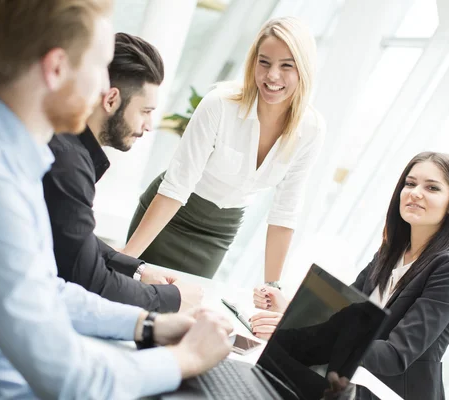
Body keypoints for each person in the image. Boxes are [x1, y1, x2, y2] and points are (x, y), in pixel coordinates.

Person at [0, 1, 232, 399]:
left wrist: (147, 323)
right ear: (56, 69)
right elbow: (71, 379)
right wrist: (187, 357)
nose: (103, 91)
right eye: (100, 68)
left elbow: (45, 291)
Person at [251, 152, 449, 400]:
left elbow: (396, 355)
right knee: (262, 372)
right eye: (410, 184)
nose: (415, 192)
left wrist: (309, 331)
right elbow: (342, 316)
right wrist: (289, 313)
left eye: (432, 187)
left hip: (390, 391)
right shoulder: (391, 251)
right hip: (348, 380)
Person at [124, 16, 325, 282]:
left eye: (286, 66)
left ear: (304, 69)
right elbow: (176, 187)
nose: (272, 75)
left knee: (181, 314)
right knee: (130, 292)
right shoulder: (219, 105)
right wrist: (126, 260)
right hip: (169, 218)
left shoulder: (311, 129)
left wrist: (271, 287)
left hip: (218, 234)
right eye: (263, 62)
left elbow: (284, 214)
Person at [43, 32, 203, 313]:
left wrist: (138, 270)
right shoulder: (68, 163)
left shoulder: (64, 142)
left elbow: (73, 237)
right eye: (145, 111)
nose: (149, 125)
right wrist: (173, 299)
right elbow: (90, 280)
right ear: (112, 100)